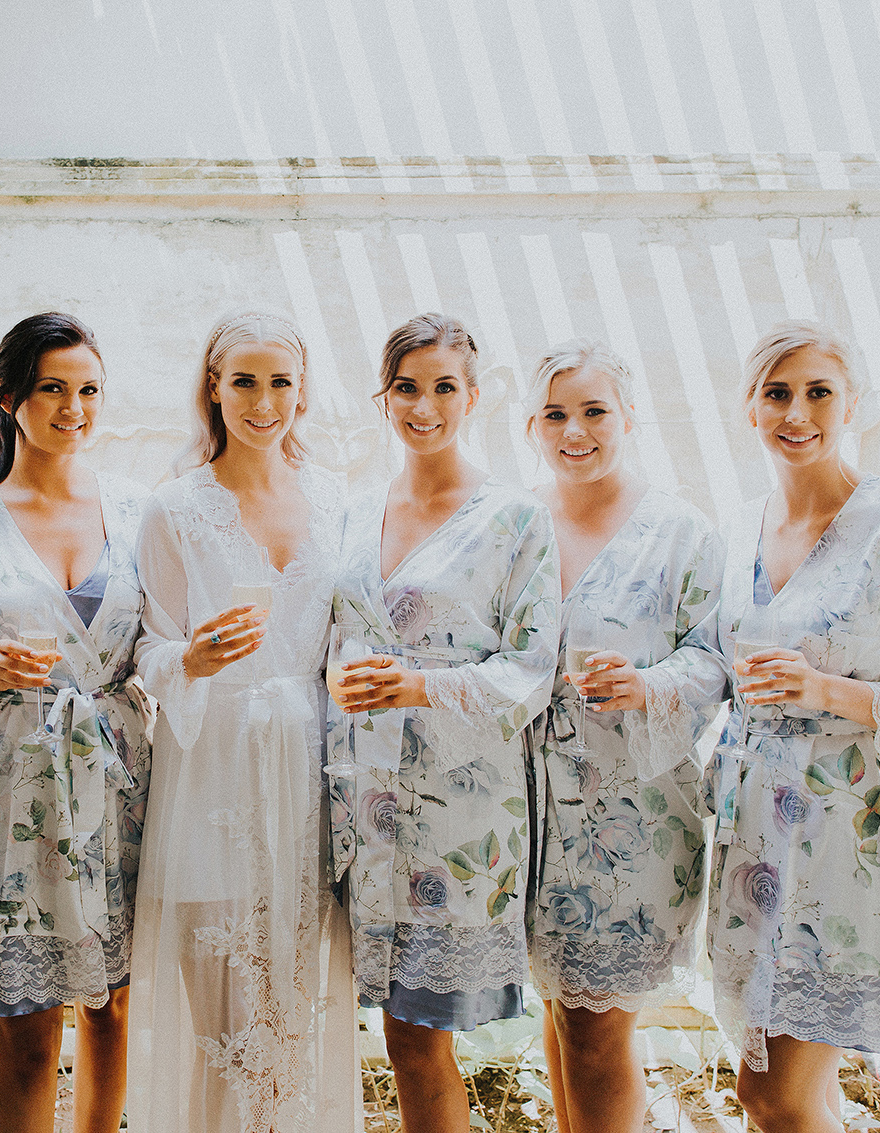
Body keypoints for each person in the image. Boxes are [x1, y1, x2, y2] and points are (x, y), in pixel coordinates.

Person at [706, 321, 880, 1132]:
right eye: (777, 393)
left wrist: (825, 689)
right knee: (806, 1092)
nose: (797, 412)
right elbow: (715, 663)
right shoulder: (738, 528)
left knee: (773, 1095)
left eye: (819, 392)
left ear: (853, 404)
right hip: (752, 836)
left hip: (849, 841)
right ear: (750, 408)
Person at [125, 311, 358, 1133]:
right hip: (213, 770)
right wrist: (190, 659)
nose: (264, 402)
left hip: (307, 775)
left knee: (290, 1024)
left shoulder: (335, 499)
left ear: (303, 390)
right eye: (245, 382)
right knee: (224, 1029)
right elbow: (147, 646)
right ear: (214, 389)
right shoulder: (174, 508)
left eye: (280, 382)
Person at [325, 314, 558, 1133]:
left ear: (474, 397)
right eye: (406, 387)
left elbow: (531, 669)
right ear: (382, 397)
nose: (423, 406)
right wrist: (339, 673)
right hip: (363, 805)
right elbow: (335, 635)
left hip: (461, 810)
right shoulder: (354, 512)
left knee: (422, 1033)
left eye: (443, 387)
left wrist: (418, 686)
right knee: (397, 1035)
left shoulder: (515, 519)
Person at [0, 313, 151, 1133]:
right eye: (52, 388)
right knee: (25, 1031)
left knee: (113, 1006)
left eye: (88, 390)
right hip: (8, 791)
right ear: (7, 395)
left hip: (120, 778)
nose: (72, 408)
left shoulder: (136, 510)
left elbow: (159, 639)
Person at [520, 340, 726, 1133]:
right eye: (555, 414)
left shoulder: (680, 531)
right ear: (532, 425)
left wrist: (648, 685)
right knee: (561, 1010)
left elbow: (715, 659)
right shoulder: (513, 524)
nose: (575, 430)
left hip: (631, 819)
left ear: (629, 417)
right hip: (529, 811)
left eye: (594, 411)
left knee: (596, 1027)